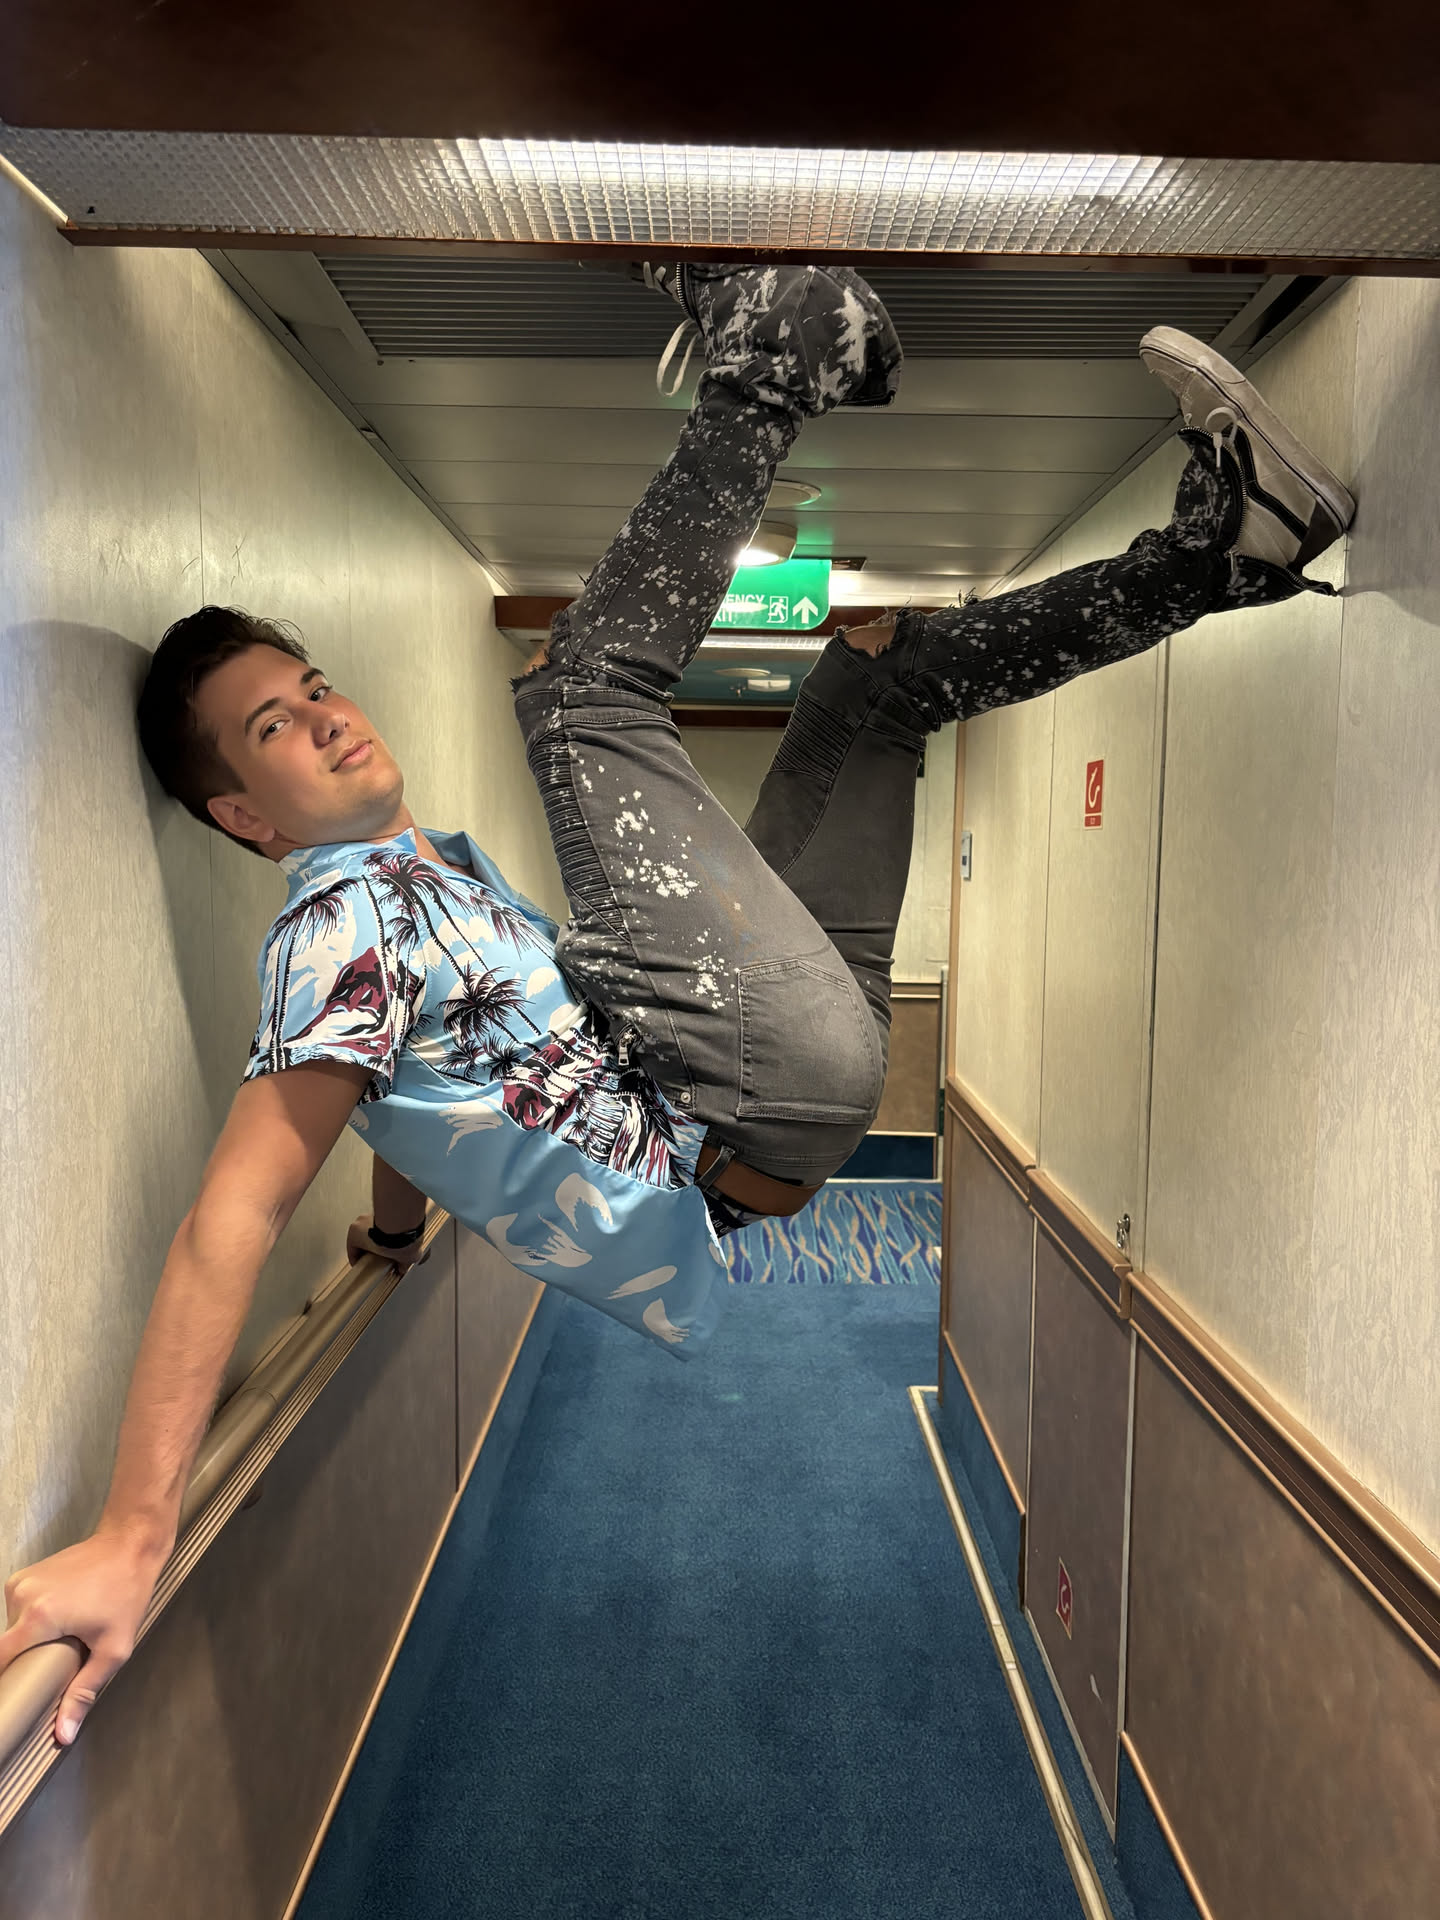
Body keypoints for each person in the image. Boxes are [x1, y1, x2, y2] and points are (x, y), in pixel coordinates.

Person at [0, 263, 1354, 1745]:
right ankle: (778, 356)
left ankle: (1230, 552)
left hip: (786, 1070)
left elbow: (411, 1089)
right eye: (274, 726)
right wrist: (133, 1531)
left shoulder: (409, 888)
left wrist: (390, 1235)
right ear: (244, 817)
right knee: (577, 691)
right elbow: (233, 1216)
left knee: (875, 687)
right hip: (744, 1089)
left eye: (314, 685)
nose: (326, 716)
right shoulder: (329, 930)